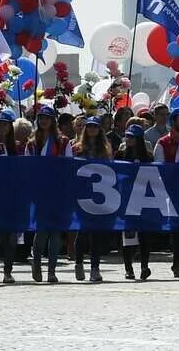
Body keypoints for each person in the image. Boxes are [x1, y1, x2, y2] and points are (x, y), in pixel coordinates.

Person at [25, 106, 71, 281]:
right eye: (41, 117)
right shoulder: (32, 143)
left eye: (47, 118)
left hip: (58, 191)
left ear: (53, 121)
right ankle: (37, 263)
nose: (44, 121)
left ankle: (52, 270)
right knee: (42, 230)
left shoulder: (63, 142)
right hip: (39, 191)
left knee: (56, 232)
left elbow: (68, 166)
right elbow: (28, 168)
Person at [69, 116, 114, 282]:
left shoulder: (105, 149)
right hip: (82, 193)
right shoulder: (77, 148)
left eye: (95, 127)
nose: (92, 130)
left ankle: (95, 267)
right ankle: (79, 263)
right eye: (89, 127)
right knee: (82, 231)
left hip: (99, 195)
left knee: (96, 232)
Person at [0, 110, 23, 284]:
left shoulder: (18, 146)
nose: (2, 127)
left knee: (12, 235)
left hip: (14, 195)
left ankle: (8, 270)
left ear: (10, 127)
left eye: (5, 124)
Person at [115, 123, 154, 279]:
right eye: (128, 136)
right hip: (126, 199)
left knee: (145, 235)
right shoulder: (119, 155)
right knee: (128, 235)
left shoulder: (148, 157)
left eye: (132, 137)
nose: (129, 139)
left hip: (144, 199)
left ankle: (145, 265)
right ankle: (128, 268)